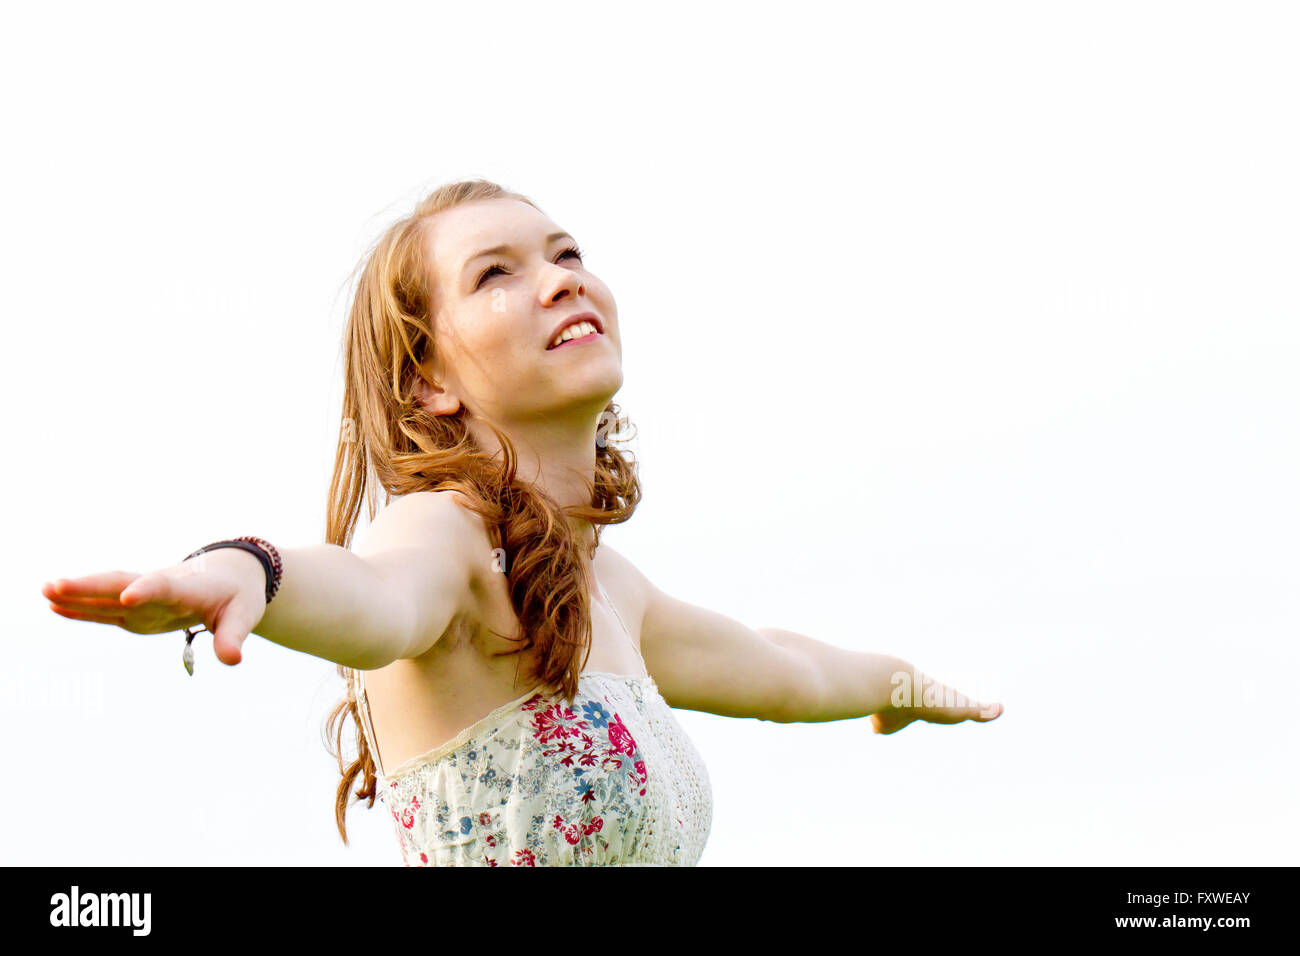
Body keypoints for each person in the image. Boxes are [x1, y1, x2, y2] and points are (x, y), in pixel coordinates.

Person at [40, 178, 1004, 867]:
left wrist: (911, 686)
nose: (561, 279)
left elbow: (789, 672)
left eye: (568, 253)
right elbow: (372, 596)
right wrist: (247, 568)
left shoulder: (613, 591)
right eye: (495, 273)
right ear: (429, 380)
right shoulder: (444, 537)